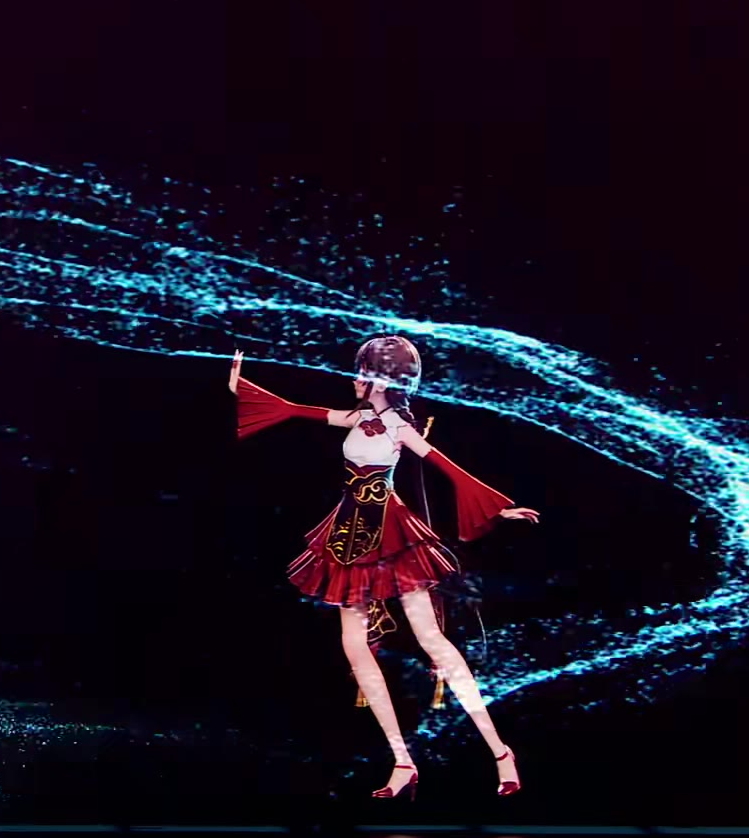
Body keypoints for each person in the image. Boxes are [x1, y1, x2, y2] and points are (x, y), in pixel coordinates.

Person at [230, 335, 538, 799]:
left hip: (391, 534)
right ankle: (402, 761)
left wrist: (499, 509)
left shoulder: (397, 427)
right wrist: (241, 387)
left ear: (379, 381)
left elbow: (449, 469)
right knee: (354, 645)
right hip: (346, 535)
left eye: (362, 373)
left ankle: (500, 752)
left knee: (431, 639)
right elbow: (294, 410)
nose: (354, 380)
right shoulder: (357, 417)